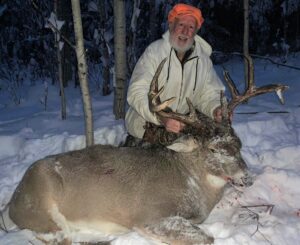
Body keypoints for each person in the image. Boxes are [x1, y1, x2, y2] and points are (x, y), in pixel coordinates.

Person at [125, 3, 225, 142]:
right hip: (148, 119)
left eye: (191, 27)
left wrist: (216, 109)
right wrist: (161, 117)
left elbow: (209, 94)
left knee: (217, 134)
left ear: (196, 31)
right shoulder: (154, 52)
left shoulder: (203, 60)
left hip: (183, 121)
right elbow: (136, 92)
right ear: (171, 25)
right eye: (181, 25)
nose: (185, 32)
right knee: (161, 152)